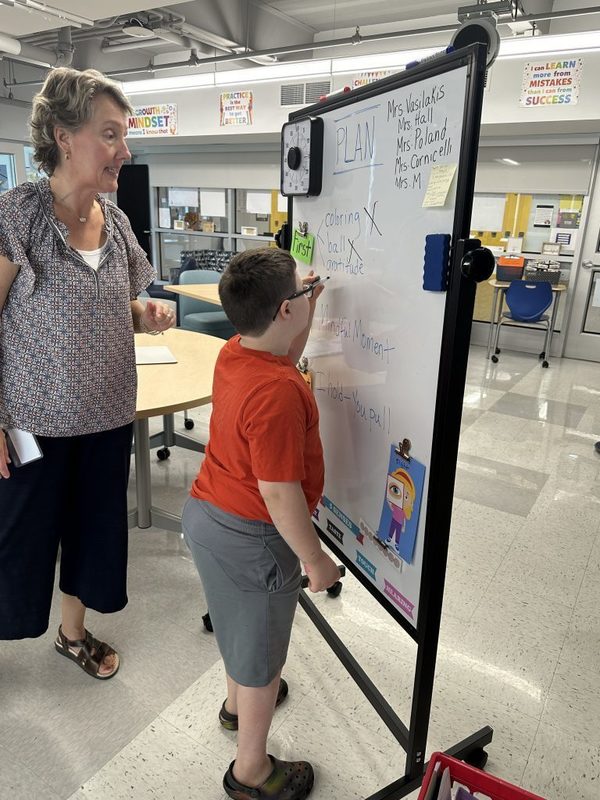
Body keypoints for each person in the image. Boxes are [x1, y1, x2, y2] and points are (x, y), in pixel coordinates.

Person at [0, 67, 175, 678]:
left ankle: (72, 635)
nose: (124, 150)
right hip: (30, 422)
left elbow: (118, 305)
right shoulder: (18, 215)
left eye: (124, 136)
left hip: (106, 416)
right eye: (110, 134)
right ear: (64, 136)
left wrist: (145, 313)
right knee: (17, 537)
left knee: (91, 533)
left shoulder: (116, 222)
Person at [182, 248, 340, 800]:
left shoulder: (237, 351)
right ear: (284, 310)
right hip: (254, 540)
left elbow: (285, 350)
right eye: (301, 289)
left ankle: (235, 707)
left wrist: (307, 304)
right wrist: (315, 560)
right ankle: (250, 771)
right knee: (263, 658)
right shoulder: (278, 392)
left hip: (208, 517)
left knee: (238, 626)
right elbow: (278, 492)